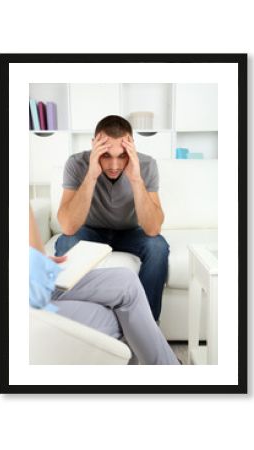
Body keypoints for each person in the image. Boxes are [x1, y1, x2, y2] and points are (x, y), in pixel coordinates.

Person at [29, 206, 179, 365]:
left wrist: (38, 260)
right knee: (126, 319)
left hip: (35, 281)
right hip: (30, 299)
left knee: (126, 281)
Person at [55, 115, 169, 321]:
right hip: (90, 230)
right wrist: (91, 174)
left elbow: (153, 229)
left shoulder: (146, 164)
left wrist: (135, 178)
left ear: (131, 148)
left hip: (129, 233)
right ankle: (75, 322)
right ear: (94, 146)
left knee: (158, 247)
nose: (114, 165)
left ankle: (145, 324)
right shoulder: (76, 163)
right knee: (66, 241)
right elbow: (68, 226)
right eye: (106, 155)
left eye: (122, 155)